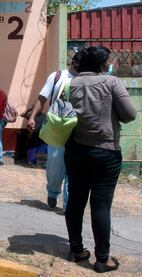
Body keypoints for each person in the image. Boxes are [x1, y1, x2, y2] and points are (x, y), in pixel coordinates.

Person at [64, 46, 136, 273]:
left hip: (75, 151)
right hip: (106, 152)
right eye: (108, 60)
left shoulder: (69, 84)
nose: (110, 63)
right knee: (101, 205)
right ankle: (102, 259)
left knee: (75, 201)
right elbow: (130, 114)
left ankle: (76, 250)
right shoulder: (112, 82)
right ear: (101, 63)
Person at [27, 52, 80, 211]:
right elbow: (42, 98)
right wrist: (32, 117)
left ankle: (68, 205)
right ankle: (52, 192)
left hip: (78, 130)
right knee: (55, 167)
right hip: (57, 128)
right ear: (73, 62)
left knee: (73, 169)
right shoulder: (57, 76)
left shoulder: (87, 80)